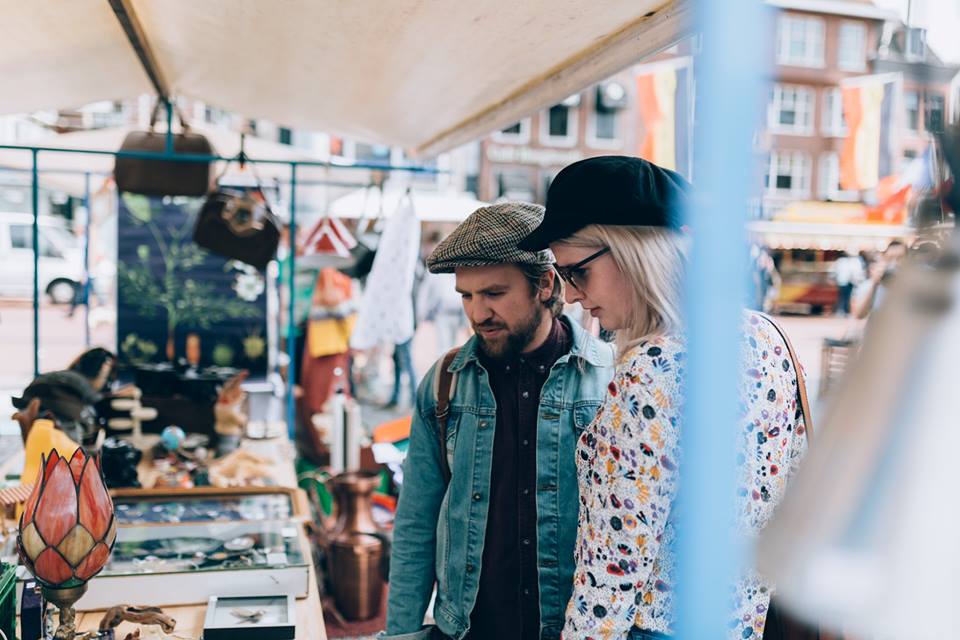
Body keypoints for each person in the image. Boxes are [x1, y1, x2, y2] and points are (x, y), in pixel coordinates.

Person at [519, 156, 809, 640]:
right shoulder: (768, 337)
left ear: (635, 252)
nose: (569, 296)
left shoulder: (651, 368)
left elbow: (613, 568)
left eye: (577, 273)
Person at [384, 202, 615, 640]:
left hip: (573, 629)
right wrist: (401, 634)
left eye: (493, 294)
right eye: (466, 296)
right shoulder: (444, 384)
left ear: (545, 285)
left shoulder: (610, 381)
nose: (477, 313)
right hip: (470, 628)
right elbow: (415, 523)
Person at [852, 240, 907, 320]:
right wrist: (874, 284)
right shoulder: (870, 284)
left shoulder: (913, 286)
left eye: (900, 258)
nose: (894, 263)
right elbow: (859, 314)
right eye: (890, 258)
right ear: (883, 259)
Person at [832, 250, 866, 316]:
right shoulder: (843, 261)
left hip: (849, 281)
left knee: (847, 297)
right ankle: (842, 310)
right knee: (843, 296)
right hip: (844, 281)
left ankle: (845, 310)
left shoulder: (852, 261)